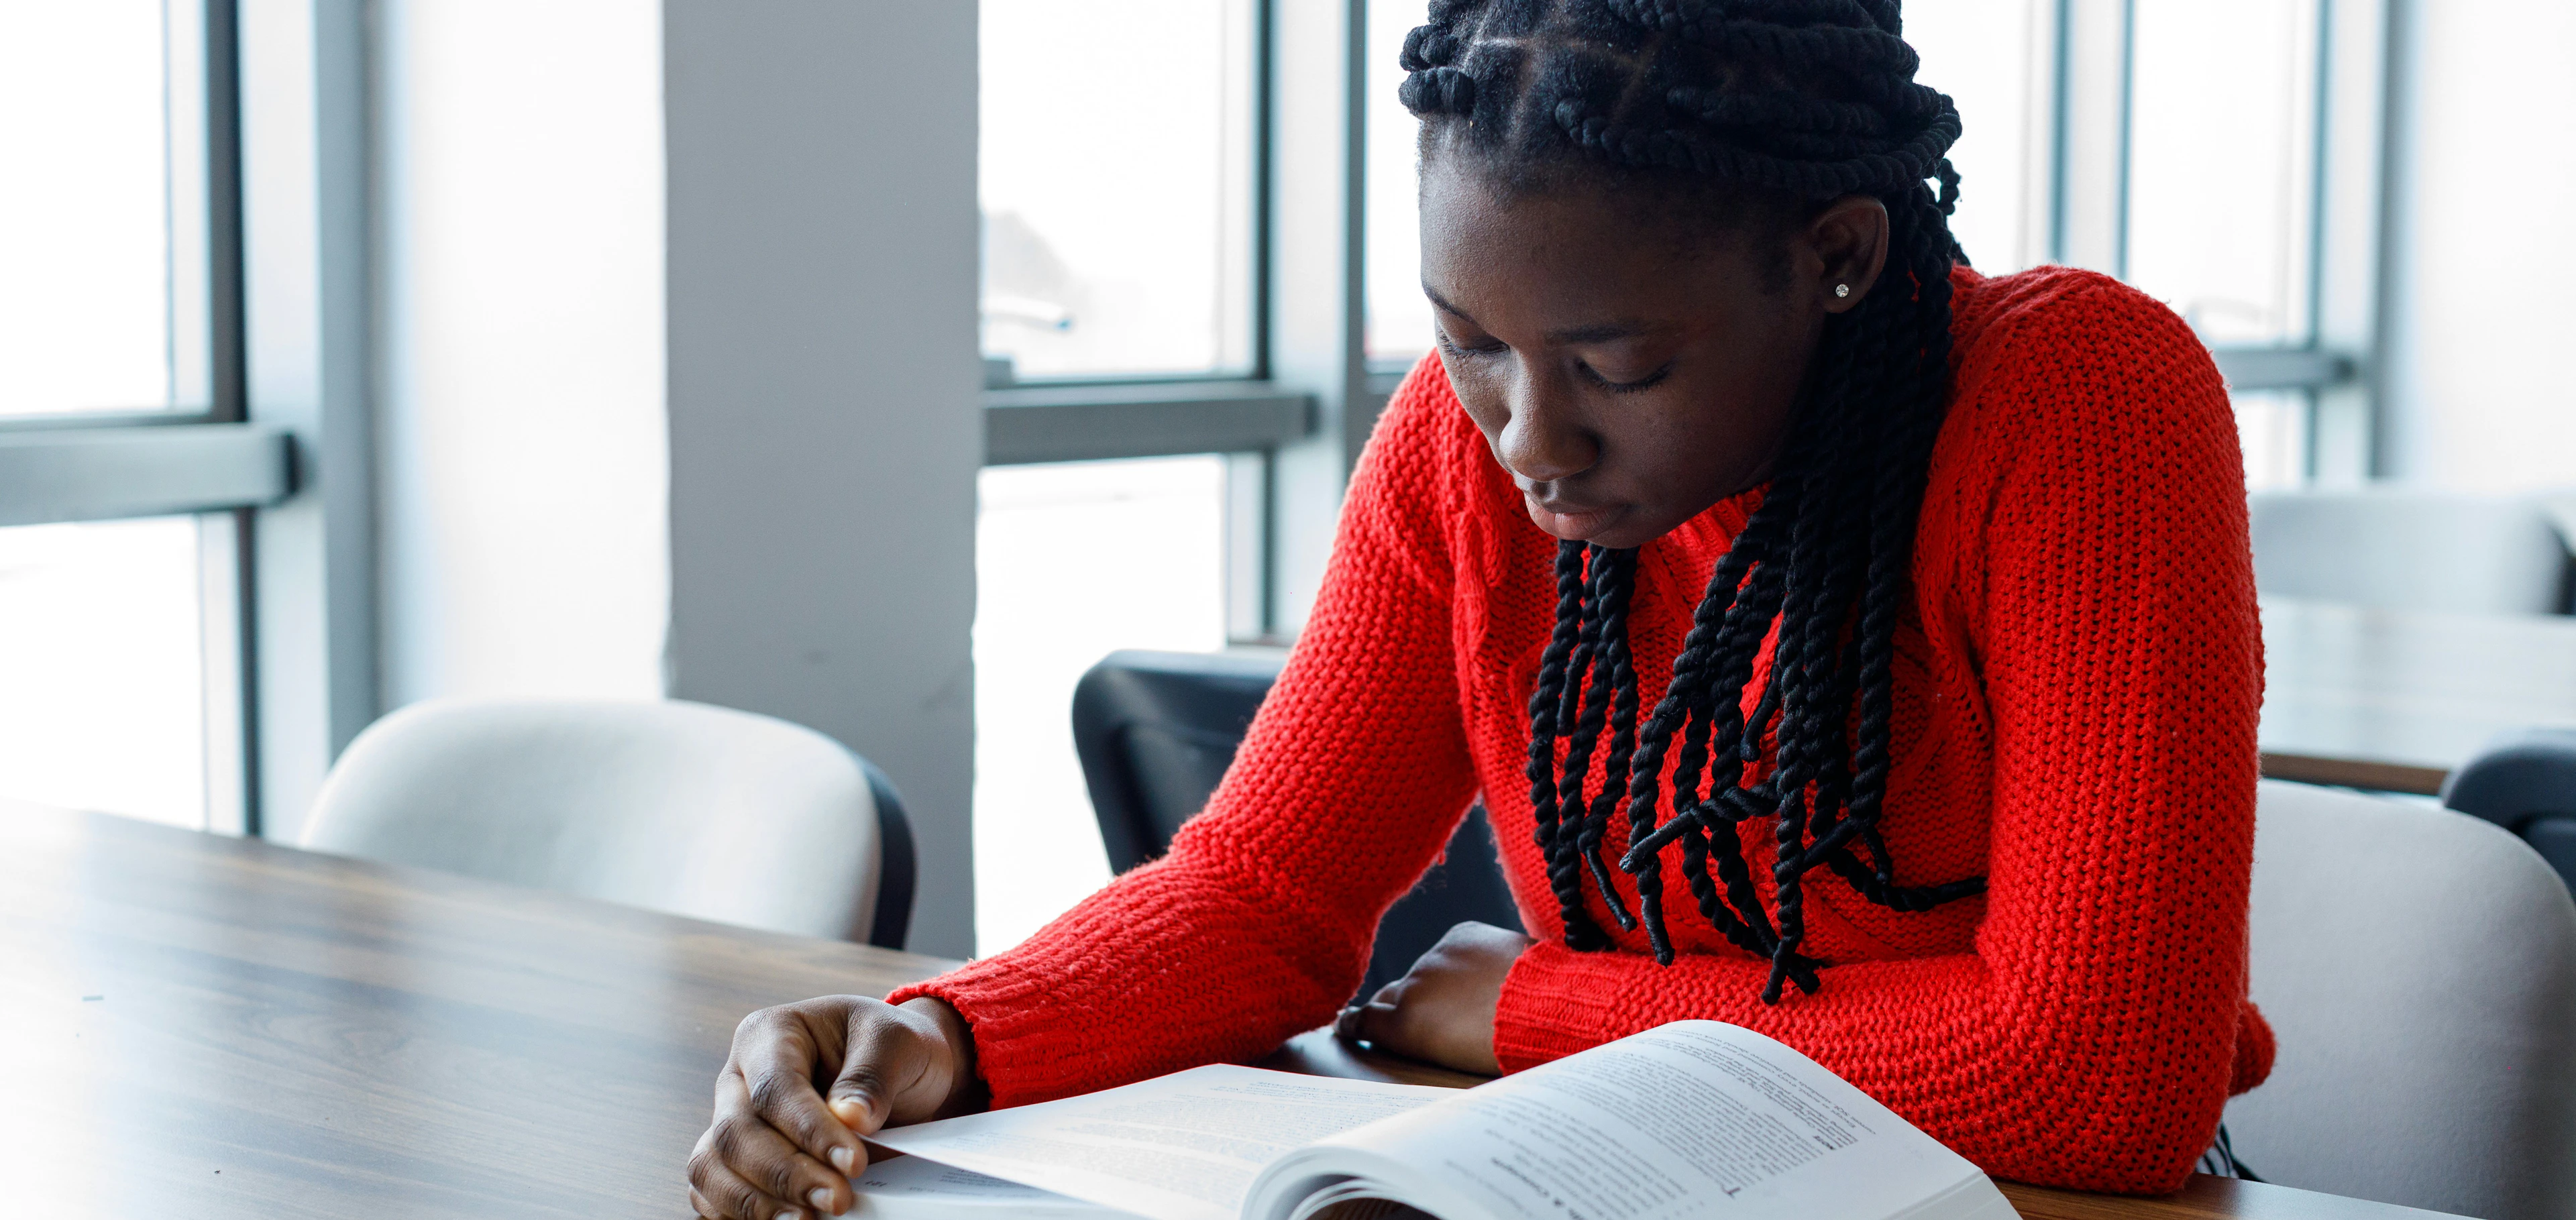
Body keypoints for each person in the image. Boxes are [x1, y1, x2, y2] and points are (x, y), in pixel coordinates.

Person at [688, 3, 2271, 1217]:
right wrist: (950, 1033)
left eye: (1617, 367)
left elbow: (2093, 1080)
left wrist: (1531, 1005)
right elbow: (1267, 892)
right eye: (1470, 342)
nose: (1528, 439)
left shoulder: (2080, 401)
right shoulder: (1462, 453)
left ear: (1838, 255)